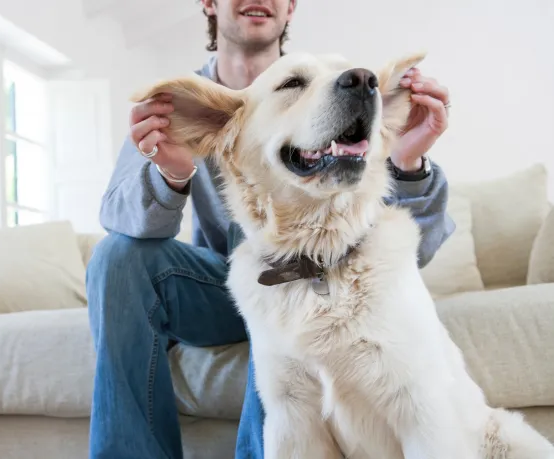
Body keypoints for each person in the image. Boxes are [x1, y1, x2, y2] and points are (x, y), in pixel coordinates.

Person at [86, 1, 455, 458]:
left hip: (321, 287)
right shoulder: (180, 108)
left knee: (277, 213)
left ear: (290, 8)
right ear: (209, 3)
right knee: (117, 256)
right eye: (294, 85)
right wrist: (172, 175)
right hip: (216, 291)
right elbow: (119, 218)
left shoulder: (338, 95)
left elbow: (410, 254)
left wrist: (407, 161)